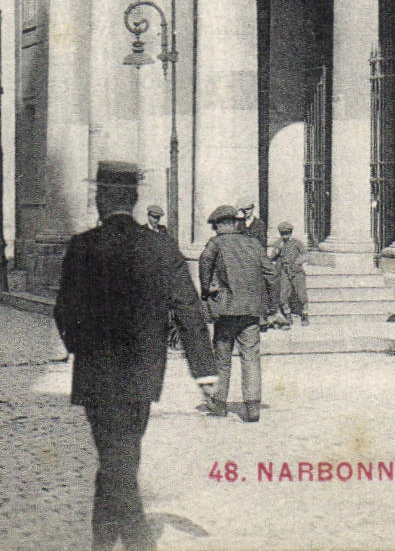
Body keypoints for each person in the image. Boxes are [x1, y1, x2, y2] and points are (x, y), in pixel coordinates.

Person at [54, 161, 217, 551]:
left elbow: (64, 312)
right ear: (134, 199)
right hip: (142, 374)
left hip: (95, 373)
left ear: (99, 199)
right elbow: (189, 309)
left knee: (115, 460)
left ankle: (128, 544)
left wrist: (82, 347)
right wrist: (205, 374)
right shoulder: (158, 246)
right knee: (121, 458)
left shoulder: (82, 247)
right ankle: (118, 544)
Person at [197, 204, 273, 422]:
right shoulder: (254, 244)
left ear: (221, 225)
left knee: (222, 358)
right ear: (235, 223)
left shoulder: (215, 244)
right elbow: (271, 273)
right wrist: (270, 304)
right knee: (251, 357)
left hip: (226, 311)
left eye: (216, 226)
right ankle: (252, 406)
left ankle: (219, 403)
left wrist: (207, 293)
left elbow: (204, 268)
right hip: (251, 312)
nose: (215, 229)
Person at [267, 221, 309, 327]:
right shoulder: (279, 243)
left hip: (297, 271)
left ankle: (305, 314)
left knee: (301, 295)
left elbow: (305, 255)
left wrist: (298, 262)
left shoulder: (297, 242)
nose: (285, 236)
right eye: (283, 233)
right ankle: (287, 314)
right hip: (284, 271)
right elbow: (272, 257)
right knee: (283, 295)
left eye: (287, 233)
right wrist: (278, 250)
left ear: (291, 232)